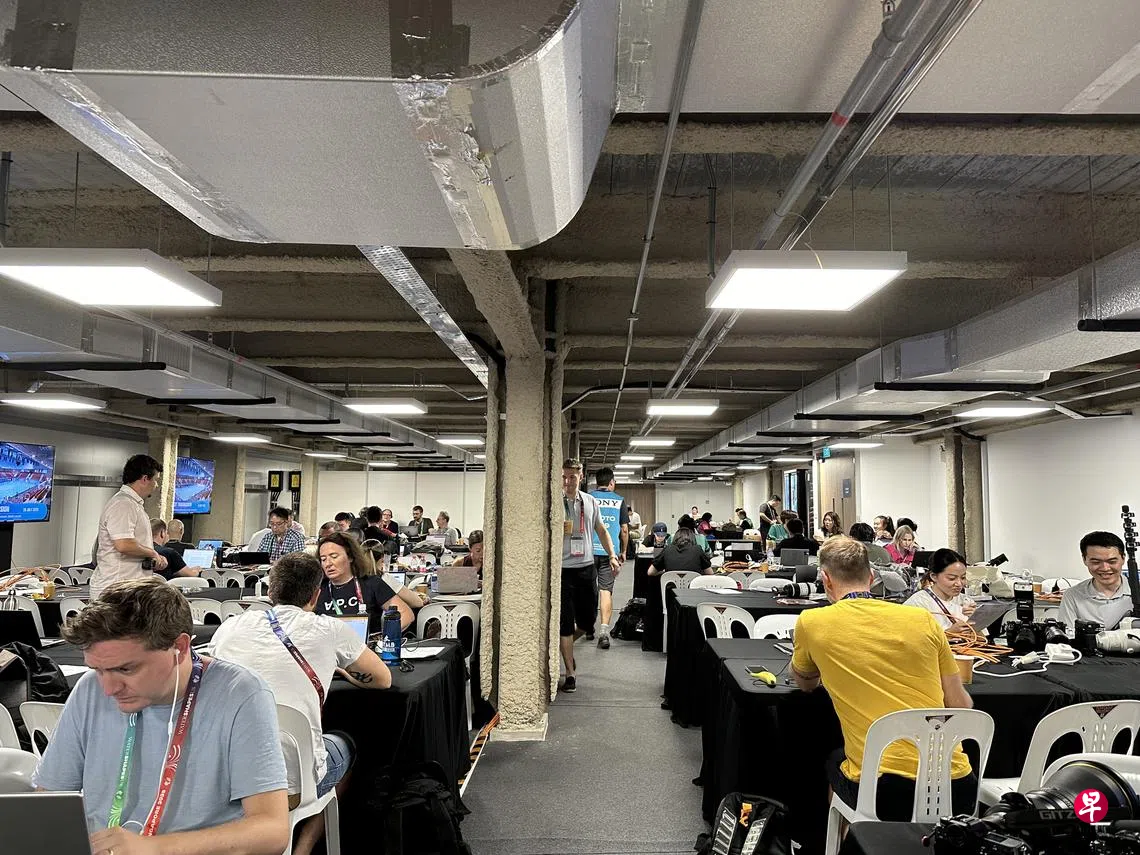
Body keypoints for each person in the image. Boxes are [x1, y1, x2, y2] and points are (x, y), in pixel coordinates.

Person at [33, 577, 290, 854]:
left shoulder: (239, 693)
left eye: (126, 669)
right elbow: (50, 799)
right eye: (98, 670)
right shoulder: (89, 689)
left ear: (180, 647)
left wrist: (154, 848)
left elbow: (272, 831)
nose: (108, 689)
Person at [212, 553, 391, 855]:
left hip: (229, 776)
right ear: (316, 595)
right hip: (297, 784)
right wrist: (341, 668)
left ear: (270, 591)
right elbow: (382, 679)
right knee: (347, 745)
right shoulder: (329, 629)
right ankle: (303, 847)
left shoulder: (230, 627)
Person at [791, 536, 976, 822]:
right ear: (872, 577)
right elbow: (961, 706)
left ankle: (848, 840)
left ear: (825, 579)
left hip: (883, 790)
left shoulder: (811, 622)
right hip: (955, 784)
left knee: (834, 761)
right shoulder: (923, 620)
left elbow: (806, 683)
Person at [559, 458, 620, 693]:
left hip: (585, 568)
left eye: (572, 477)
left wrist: (612, 555)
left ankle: (562, 647)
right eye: (564, 477)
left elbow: (601, 530)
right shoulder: (555, 503)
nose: (567, 482)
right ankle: (570, 673)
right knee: (565, 624)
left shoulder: (590, 501)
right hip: (563, 570)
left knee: (586, 622)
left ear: (581, 477)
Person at [91, 454, 168, 600]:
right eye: (155, 480)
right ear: (145, 479)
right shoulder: (123, 504)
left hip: (125, 588)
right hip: (117, 590)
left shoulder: (132, 504)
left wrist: (151, 558)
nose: (156, 485)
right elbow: (124, 545)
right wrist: (152, 553)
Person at [315, 531, 413, 631]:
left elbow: (406, 614)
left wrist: (385, 637)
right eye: (323, 559)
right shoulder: (317, 589)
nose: (328, 564)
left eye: (334, 557)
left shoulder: (372, 583)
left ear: (350, 557)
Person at [1058, 531, 1133, 631]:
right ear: (1084, 560)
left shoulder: (1136, 592)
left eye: (1112, 561)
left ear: (1123, 558)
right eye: (1096, 562)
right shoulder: (1072, 596)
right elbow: (1067, 637)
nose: (1105, 568)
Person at [589, 467, 629, 650]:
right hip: (609, 553)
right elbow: (624, 530)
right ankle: (603, 632)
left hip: (588, 552)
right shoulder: (619, 501)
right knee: (605, 591)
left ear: (597, 482)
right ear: (611, 482)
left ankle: (587, 627)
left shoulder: (588, 498)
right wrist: (623, 551)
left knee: (588, 590)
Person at [903, 548, 977, 631]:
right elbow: (911, 638)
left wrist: (977, 620)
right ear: (934, 576)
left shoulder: (966, 601)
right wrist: (949, 633)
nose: (959, 584)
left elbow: (982, 637)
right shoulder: (917, 603)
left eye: (963, 577)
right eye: (952, 578)